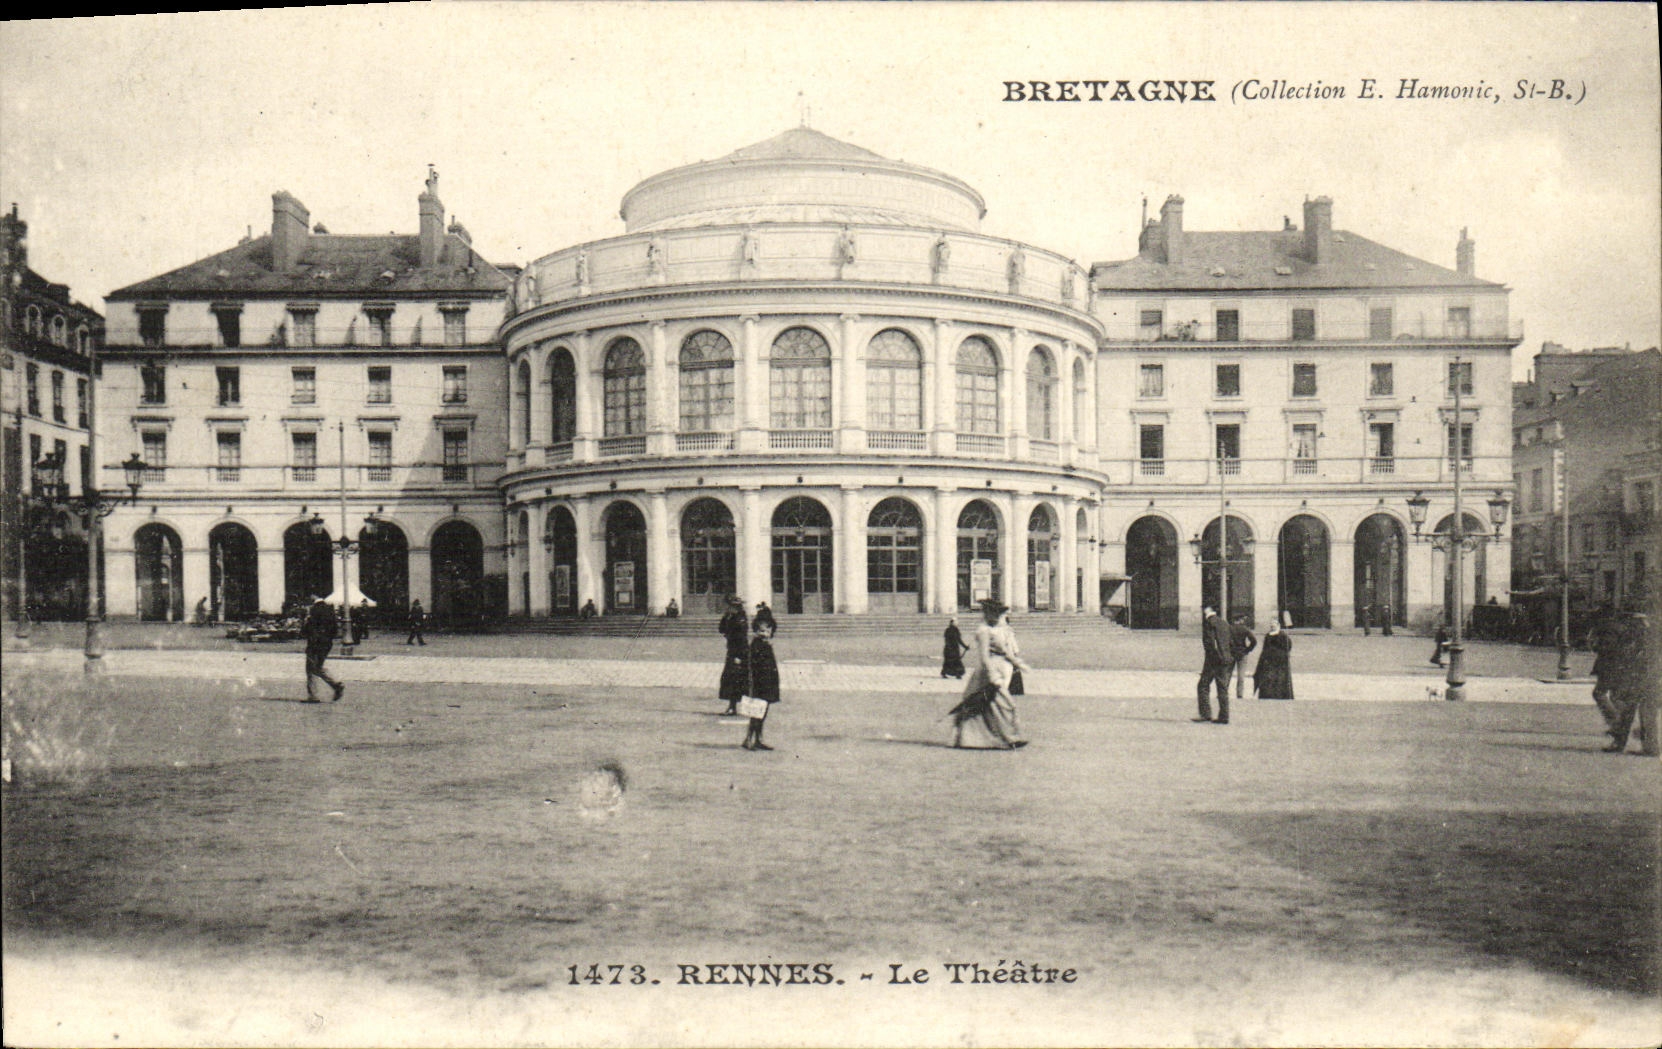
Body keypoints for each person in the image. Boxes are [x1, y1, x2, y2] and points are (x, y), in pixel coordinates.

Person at [948, 599, 1030, 749]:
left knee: (991, 707)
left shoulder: (998, 630)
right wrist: (993, 676)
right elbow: (984, 656)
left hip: (998, 669)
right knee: (1005, 705)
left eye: (999, 613)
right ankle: (1010, 738)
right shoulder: (983, 631)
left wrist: (1018, 663)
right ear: (987, 614)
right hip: (988, 672)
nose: (997, 616)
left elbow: (1005, 651)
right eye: (994, 613)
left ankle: (999, 738)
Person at [1603, 611, 1657, 756]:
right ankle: (1623, 743)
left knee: (1643, 714)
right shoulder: (1633, 640)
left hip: (1643, 681)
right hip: (1635, 681)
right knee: (1630, 713)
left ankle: (1648, 746)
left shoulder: (1648, 642)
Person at [742, 620, 780, 751]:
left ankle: (758, 739)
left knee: (762, 712)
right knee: (756, 712)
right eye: (763, 630)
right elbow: (754, 665)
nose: (766, 633)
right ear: (757, 631)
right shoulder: (757, 644)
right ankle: (748, 739)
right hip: (760, 683)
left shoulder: (765, 644)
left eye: (769, 630)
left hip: (768, 682)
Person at [1195, 607, 1233, 724]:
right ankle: (1224, 716)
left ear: (1206, 611)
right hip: (1226, 658)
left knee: (1203, 685)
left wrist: (1210, 659)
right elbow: (1231, 641)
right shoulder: (1224, 623)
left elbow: (1210, 643)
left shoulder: (1209, 623)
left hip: (1213, 660)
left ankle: (1205, 714)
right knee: (1222, 687)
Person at [302, 597, 344, 703]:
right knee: (318, 667)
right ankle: (336, 685)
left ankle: (314, 695)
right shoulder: (330, 610)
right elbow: (335, 630)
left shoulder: (313, 610)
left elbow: (308, 629)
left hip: (315, 644)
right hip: (327, 644)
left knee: (311, 668)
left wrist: (306, 623)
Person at [717, 596, 750, 716]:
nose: (728, 608)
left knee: (738, 681)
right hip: (732, 651)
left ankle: (736, 708)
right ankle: (732, 707)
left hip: (739, 652)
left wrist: (738, 656)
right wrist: (725, 617)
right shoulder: (731, 617)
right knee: (732, 680)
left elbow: (741, 638)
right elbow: (721, 629)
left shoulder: (740, 619)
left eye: (730, 606)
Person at [1253, 621, 1294, 700]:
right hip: (1269, 660)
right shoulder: (1268, 636)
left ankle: (1280, 694)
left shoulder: (1283, 635)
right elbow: (1265, 648)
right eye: (1271, 626)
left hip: (1280, 661)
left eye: (1274, 626)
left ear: (1278, 626)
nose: (1272, 628)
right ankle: (1268, 694)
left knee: (1280, 678)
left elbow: (1288, 646)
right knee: (1268, 677)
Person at [1229, 615, 1257, 701]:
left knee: (1227, 673)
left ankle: (1223, 692)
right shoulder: (1245, 629)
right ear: (1240, 620)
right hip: (1242, 653)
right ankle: (1239, 694)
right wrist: (1248, 649)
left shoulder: (1229, 628)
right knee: (1241, 675)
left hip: (1231, 653)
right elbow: (1254, 641)